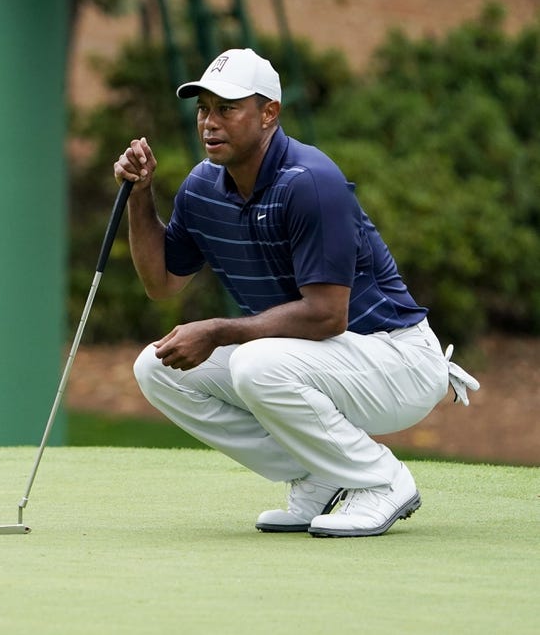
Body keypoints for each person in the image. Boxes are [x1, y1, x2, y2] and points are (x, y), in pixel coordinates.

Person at [114, 48, 479, 537]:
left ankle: (381, 480)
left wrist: (220, 330)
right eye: (203, 108)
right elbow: (161, 284)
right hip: (318, 359)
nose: (209, 123)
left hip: (397, 359)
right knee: (158, 368)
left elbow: (328, 316)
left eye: (227, 108)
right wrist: (141, 196)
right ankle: (320, 475)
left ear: (269, 114)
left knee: (253, 363)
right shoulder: (202, 188)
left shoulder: (309, 182)